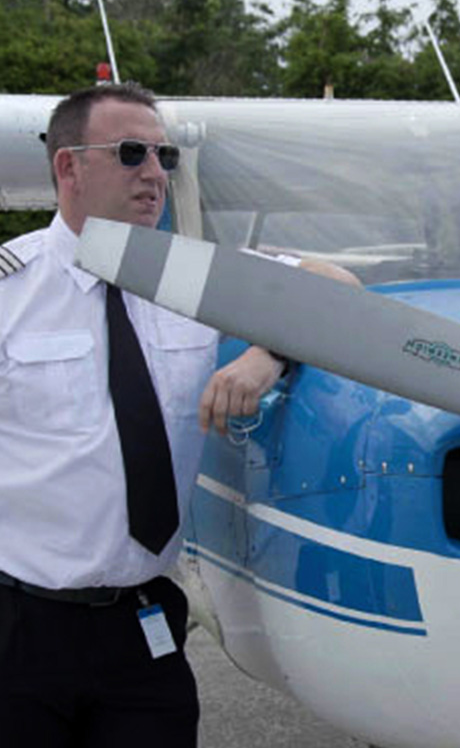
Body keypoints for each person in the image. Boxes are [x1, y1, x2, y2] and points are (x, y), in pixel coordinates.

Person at [0, 82, 357, 747]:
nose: (154, 173)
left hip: (142, 624)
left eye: (164, 156)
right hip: (21, 629)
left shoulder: (193, 277)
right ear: (68, 167)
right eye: (130, 153)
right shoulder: (10, 291)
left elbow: (339, 290)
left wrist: (268, 355)